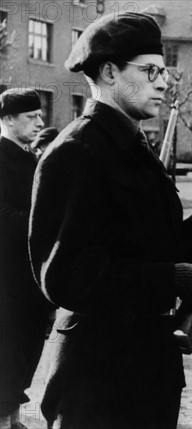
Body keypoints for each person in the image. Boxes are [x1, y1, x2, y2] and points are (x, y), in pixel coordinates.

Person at [27, 12, 192, 429]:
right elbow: (64, 276)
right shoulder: (74, 153)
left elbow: (158, 244)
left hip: (148, 368)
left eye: (164, 72)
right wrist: (173, 279)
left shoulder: (134, 148)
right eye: (151, 71)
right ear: (109, 72)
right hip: (96, 381)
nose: (164, 82)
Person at [0, 88, 49, 429]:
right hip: (6, 281)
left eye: (39, 115)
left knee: (27, 350)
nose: (39, 122)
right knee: (7, 353)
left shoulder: (31, 158)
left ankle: (13, 418)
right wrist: (44, 219)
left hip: (31, 279)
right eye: (31, 117)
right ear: (7, 119)